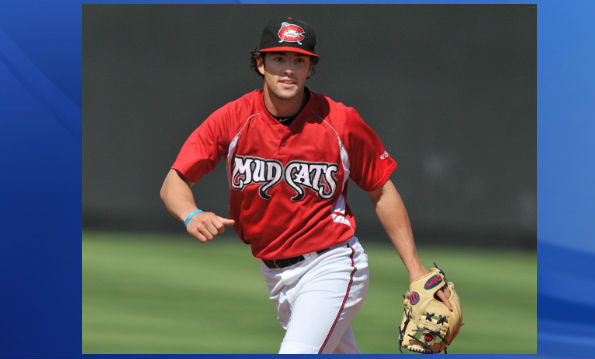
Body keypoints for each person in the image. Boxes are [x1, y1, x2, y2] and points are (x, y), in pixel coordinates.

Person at [160, 16, 451, 354]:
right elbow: (174, 181)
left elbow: (381, 189)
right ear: (260, 64)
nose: (288, 69)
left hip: (332, 265)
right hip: (276, 278)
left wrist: (417, 271)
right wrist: (190, 213)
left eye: (299, 60)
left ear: (310, 68)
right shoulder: (234, 118)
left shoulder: (340, 121)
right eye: (279, 58)